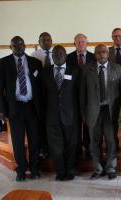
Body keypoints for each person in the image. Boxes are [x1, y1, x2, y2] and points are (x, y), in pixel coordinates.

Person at [0, 36, 42, 181]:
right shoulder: (2, 63)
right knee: (17, 142)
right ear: (11, 47)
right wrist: (3, 110)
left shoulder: (36, 63)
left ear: (25, 45)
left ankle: (34, 168)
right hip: (14, 108)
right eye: (15, 45)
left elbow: (40, 88)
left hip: (32, 107)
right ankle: (21, 170)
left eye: (21, 44)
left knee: (35, 140)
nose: (19, 47)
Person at [80, 44, 121, 180]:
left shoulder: (118, 69)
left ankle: (111, 168)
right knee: (94, 141)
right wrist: (83, 113)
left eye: (104, 52)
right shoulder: (86, 69)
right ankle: (97, 169)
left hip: (111, 111)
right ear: (95, 54)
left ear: (108, 53)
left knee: (111, 140)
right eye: (98, 52)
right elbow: (82, 94)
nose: (101, 54)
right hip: (93, 111)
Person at [40, 45, 80, 181]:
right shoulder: (44, 73)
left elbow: (79, 94)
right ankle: (60, 170)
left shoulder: (75, 71)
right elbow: (42, 97)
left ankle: (71, 170)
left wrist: (79, 115)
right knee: (56, 146)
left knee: (71, 145)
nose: (58, 56)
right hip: (51, 116)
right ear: (52, 56)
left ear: (66, 55)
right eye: (55, 54)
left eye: (61, 54)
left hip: (70, 115)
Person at [66, 33, 95, 157]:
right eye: (78, 42)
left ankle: (89, 149)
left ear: (87, 43)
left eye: (83, 41)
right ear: (74, 43)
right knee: (75, 125)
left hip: (89, 96)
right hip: (72, 96)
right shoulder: (67, 57)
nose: (80, 44)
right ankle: (77, 149)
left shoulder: (94, 57)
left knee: (88, 124)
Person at [31, 32, 53, 159]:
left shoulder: (58, 53)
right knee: (41, 124)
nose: (46, 41)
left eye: (48, 39)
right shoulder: (33, 56)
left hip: (53, 95)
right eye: (43, 40)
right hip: (40, 95)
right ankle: (43, 148)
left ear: (51, 41)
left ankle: (52, 147)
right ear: (39, 42)